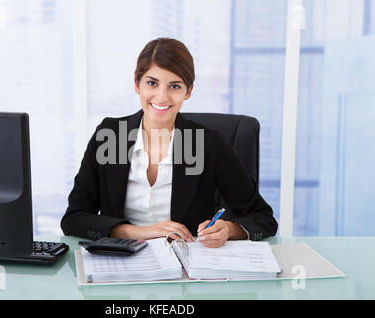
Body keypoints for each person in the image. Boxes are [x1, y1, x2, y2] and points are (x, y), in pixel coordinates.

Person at [61, 37, 277, 248]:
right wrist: (140, 232)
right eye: (152, 83)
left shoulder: (207, 143)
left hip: (186, 267)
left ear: (188, 91)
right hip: (121, 261)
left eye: (174, 86)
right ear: (137, 84)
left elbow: (263, 218)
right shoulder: (110, 136)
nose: (162, 97)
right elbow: (74, 218)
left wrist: (228, 229)